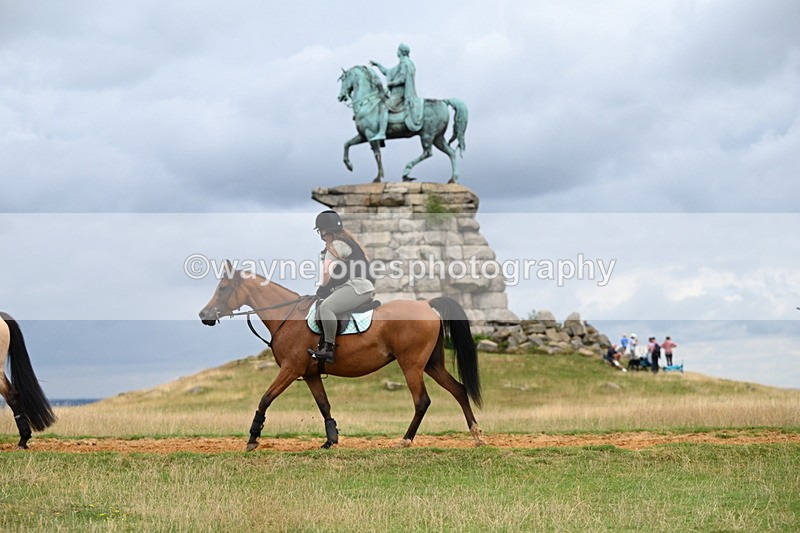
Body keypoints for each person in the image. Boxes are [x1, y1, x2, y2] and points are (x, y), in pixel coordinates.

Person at [307, 210, 375, 364]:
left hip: (356, 287)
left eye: (321, 230)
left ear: (325, 231)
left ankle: (329, 348)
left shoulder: (336, 244)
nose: (321, 234)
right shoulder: (345, 240)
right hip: (355, 286)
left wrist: (321, 288)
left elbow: (326, 272)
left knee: (326, 308)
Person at [370, 43, 424, 140]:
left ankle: (382, 133)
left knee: (384, 107)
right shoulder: (402, 63)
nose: (397, 52)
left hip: (399, 95)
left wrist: (392, 84)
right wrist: (378, 65)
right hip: (396, 94)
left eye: (398, 50)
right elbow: (387, 72)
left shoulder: (405, 64)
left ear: (401, 52)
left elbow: (402, 79)